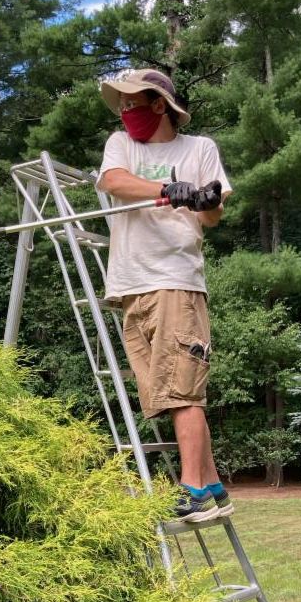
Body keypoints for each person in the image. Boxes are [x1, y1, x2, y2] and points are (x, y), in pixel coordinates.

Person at [96, 68, 233, 523]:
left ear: (159, 105)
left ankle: (192, 490)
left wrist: (206, 201)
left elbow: (212, 216)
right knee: (167, 390)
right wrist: (167, 190)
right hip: (130, 284)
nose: (124, 111)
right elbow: (114, 182)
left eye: (131, 103)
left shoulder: (199, 148)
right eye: (121, 104)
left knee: (182, 388)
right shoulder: (122, 144)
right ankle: (212, 483)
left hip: (176, 279)